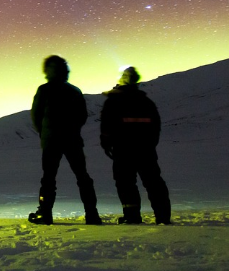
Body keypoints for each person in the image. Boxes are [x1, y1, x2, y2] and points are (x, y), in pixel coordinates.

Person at [28, 55, 101, 225]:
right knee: (82, 176)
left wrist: (45, 133)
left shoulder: (44, 90)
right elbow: (82, 115)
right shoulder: (74, 91)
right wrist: (72, 130)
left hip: (52, 141)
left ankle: (45, 213)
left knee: (48, 178)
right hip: (72, 139)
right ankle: (92, 213)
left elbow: (36, 116)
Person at [100, 67, 171, 224]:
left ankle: (131, 216)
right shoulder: (146, 102)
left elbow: (107, 126)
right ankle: (163, 216)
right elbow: (155, 126)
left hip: (123, 150)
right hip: (145, 149)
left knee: (125, 183)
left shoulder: (113, 101)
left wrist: (107, 144)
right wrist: (150, 144)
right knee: (153, 182)